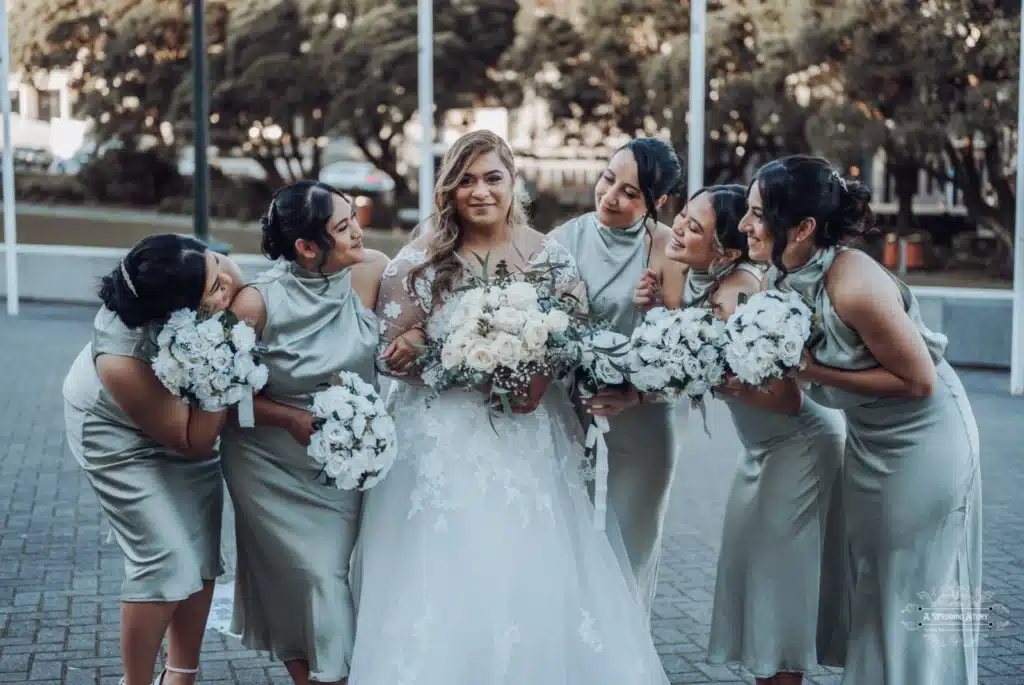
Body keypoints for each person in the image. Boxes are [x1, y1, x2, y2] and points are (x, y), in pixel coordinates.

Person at [347, 130, 670, 684]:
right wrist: (450, 357)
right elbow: (393, 353)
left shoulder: (550, 257)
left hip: (532, 434)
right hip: (441, 440)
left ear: (513, 182)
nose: (479, 192)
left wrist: (537, 371)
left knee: (532, 570)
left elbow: (574, 338)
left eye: (492, 178)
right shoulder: (421, 259)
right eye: (465, 180)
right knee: (447, 573)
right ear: (449, 189)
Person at [742, 155, 982, 685]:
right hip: (870, 439)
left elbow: (919, 381)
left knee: (905, 583)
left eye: (758, 214)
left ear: (803, 228)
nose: (744, 224)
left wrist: (813, 370)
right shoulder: (783, 275)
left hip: (924, 439)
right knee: (872, 581)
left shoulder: (852, 283)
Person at [659, 185, 846, 684]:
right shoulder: (717, 283)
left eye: (693, 227)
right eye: (682, 216)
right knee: (756, 573)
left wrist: (713, 375)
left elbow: (786, 399)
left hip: (797, 447)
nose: (677, 227)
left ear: (727, 249)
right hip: (762, 449)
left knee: (778, 581)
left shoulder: (739, 295)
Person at [219, 181, 388, 685]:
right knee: (308, 577)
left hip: (338, 464)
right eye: (342, 226)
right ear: (307, 247)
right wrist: (289, 418)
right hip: (268, 462)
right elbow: (221, 395)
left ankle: (323, 674)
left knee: (326, 574)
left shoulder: (372, 271)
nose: (357, 230)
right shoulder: (256, 304)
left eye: (353, 216)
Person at [61, 234, 244, 685]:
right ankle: (136, 681)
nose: (227, 282)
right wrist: (223, 360)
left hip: (185, 409)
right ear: (177, 312)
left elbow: (243, 291)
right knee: (165, 559)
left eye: (217, 264)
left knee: (201, 553)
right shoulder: (121, 359)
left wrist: (224, 307)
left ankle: (181, 676)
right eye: (214, 286)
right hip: (115, 433)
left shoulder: (194, 263)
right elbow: (194, 440)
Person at [549, 137, 686, 615]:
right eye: (608, 179)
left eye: (631, 193)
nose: (611, 196)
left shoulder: (671, 248)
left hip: (646, 406)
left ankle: (627, 653)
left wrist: (664, 307)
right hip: (571, 403)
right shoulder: (563, 240)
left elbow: (687, 345)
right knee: (565, 529)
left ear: (658, 203)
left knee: (630, 541)